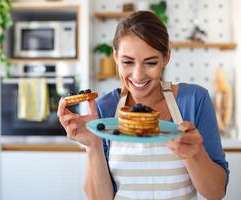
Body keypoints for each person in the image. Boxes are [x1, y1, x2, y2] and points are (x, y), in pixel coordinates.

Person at [58, 11, 229, 200]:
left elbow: (216, 192)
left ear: (166, 57)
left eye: (151, 62)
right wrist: (93, 146)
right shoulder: (103, 109)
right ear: (115, 57)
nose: (138, 75)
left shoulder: (194, 100)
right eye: (127, 62)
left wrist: (193, 155)